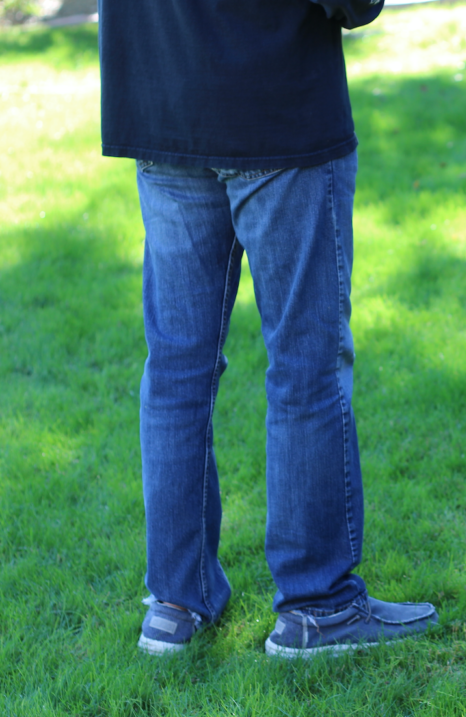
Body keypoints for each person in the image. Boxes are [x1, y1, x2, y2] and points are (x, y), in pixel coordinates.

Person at [97, 0, 438, 657]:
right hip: (275, 107)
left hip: (160, 96)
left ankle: (174, 602)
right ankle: (319, 608)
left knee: (176, 370)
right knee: (304, 367)